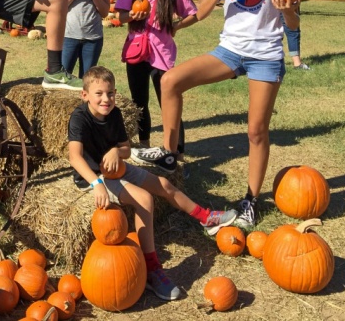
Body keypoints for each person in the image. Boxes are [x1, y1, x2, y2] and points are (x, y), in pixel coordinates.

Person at [134, 0, 300, 232]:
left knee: (256, 131)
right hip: (230, 50)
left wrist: (288, 9)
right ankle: (169, 153)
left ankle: (251, 200)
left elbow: (292, 22)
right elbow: (204, 9)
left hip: (265, 55)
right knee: (170, 81)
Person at [68, 66, 237, 301]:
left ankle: (206, 218)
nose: (106, 99)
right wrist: (96, 183)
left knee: (165, 185)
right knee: (145, 200)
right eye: (99, 94)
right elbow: (74, 156)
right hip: (94, 177)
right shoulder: (79, 118)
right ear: (85, 95)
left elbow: (126, 149)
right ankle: (152, 270)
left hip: (116, 168)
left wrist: (117, 151)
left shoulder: (114, 114)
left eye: (110, 93)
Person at [115, 0, 198, 152]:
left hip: (162, 53)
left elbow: (192, 14)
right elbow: (120, 17)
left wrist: (176, 26)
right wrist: (132, 15)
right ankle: (144, 147)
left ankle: (176, 152)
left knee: (169, 103)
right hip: (137, 51)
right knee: (139, 103)